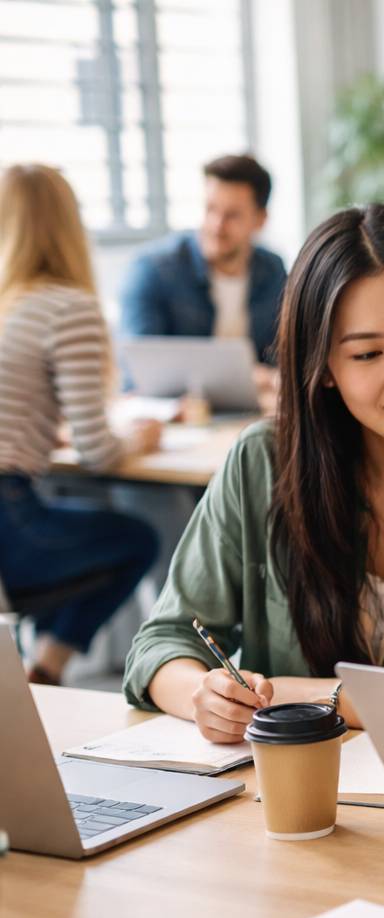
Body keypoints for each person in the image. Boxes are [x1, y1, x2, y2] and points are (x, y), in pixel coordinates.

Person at [124, 204, 384, 742]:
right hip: (280, 787)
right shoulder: (262, 464)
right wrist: (203, 696)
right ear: (324, 368)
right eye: (368, 354)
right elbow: (162, 642)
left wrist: (296, 695)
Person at [0, 164, 161, 685]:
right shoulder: (66, 308)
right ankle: (46, 670)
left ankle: (39, 674)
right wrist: (139, 437)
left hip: (13, 511)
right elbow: (98, 451)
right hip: (9, 520)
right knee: (137, 539)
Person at [120, 154, 286, 410]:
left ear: (260, 220)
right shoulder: (153, 269)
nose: (216, 225)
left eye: (232, 215)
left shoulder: (273, 271)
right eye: (210, 209)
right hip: (179, 417)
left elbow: (285, 358)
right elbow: (138, 373)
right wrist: (253, 377)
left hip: (251, 412)